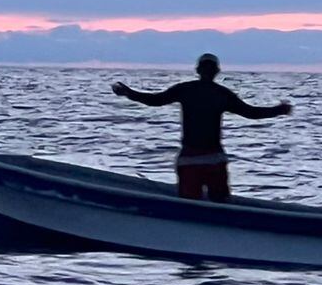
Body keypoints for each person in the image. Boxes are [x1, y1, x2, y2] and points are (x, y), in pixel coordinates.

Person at [111, 53, 291, 202]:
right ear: (217, 71)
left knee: (190, 206)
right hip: (213, 159)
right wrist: (278, 110)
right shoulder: (221, 94)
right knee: (220, 205)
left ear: (198, 70)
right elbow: (251, 113)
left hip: (192, 159)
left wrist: (129, 93)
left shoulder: (187, 89)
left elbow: (155, 100)